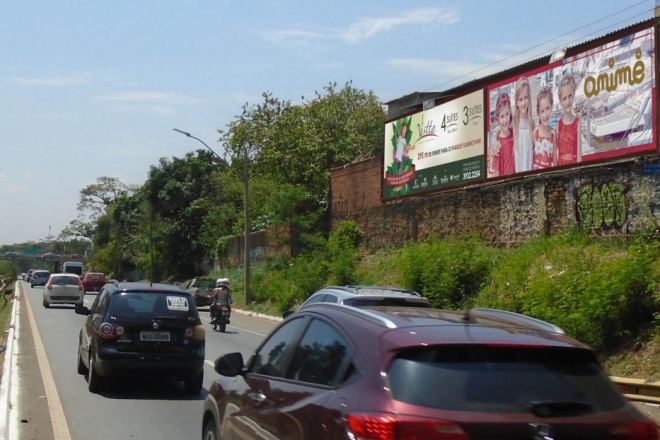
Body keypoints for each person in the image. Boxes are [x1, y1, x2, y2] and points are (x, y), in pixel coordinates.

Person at [556, 73, 582, 165]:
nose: (567, 101)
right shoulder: (558, 125)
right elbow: (557, 154)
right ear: (560, 100)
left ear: (574, 94)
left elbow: (579, 157)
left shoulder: (577, 122)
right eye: (564, 98)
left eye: (570, 96)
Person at [489, 92, 515, 177]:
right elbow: (496, 174)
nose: (505, 120)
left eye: (507, 114)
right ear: (497, 118)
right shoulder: (498, 145)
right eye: (502, 116)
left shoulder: (514, 134)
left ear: (510, 112)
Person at [513, 76, 534, 173]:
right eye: (520, 99)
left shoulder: (532, 123)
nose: (523, 102)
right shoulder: (514, 123)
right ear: (516, 102)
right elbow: (501, 133)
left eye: (526, 98)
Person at [533, 86, 556, 170]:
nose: (545, 114)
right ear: (538, 113)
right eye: (542, 111)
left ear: (551, 107)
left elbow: (555, 161)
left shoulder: (554, 134)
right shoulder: (535, 133)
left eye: (547, 109)